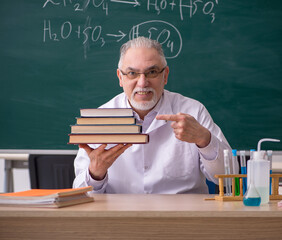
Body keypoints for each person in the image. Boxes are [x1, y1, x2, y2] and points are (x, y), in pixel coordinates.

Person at [73, 36, 234, 193]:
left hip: (183, 217)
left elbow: (230, 178)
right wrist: (95, 173)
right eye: (132, 73)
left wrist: (204, 140)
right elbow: (80, 193)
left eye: (152, 72)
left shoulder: (193, 112)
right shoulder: (99, 119)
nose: (142, 82)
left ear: (165, 75)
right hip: (121, 218)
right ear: (120, 78)